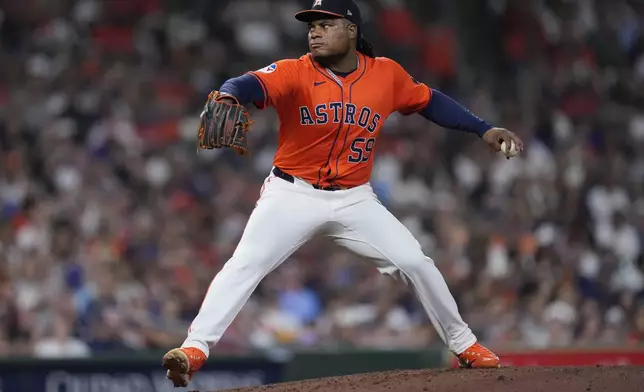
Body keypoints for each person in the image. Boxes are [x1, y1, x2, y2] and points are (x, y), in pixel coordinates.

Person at [163, 0, 524, 387]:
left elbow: (429, 100)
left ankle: (465, 345)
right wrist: (229, 95)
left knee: (415, 262)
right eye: (311, 25)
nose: (314, 31)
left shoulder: (385, 74)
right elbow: (247, 83)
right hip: (292, 194)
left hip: (354, 198)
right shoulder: (294, 71)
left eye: (325, 24)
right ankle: (194, 349)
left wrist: (483, 129)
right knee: (244, 265)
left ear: (351, 30)